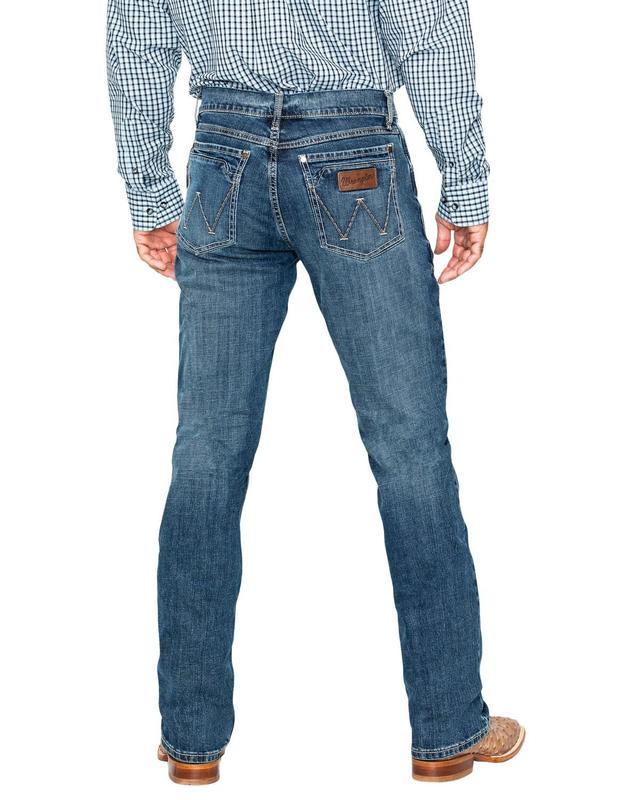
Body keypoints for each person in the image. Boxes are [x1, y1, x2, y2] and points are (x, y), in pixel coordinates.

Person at [106, 0, 524, 784]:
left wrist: (150, 194)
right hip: (353, 153)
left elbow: (139, 33)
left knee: (206, 455)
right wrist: (465, 184)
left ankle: (191, 740)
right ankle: (446, 731)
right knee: (409, 449)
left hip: (222, 158)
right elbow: (427, 28)